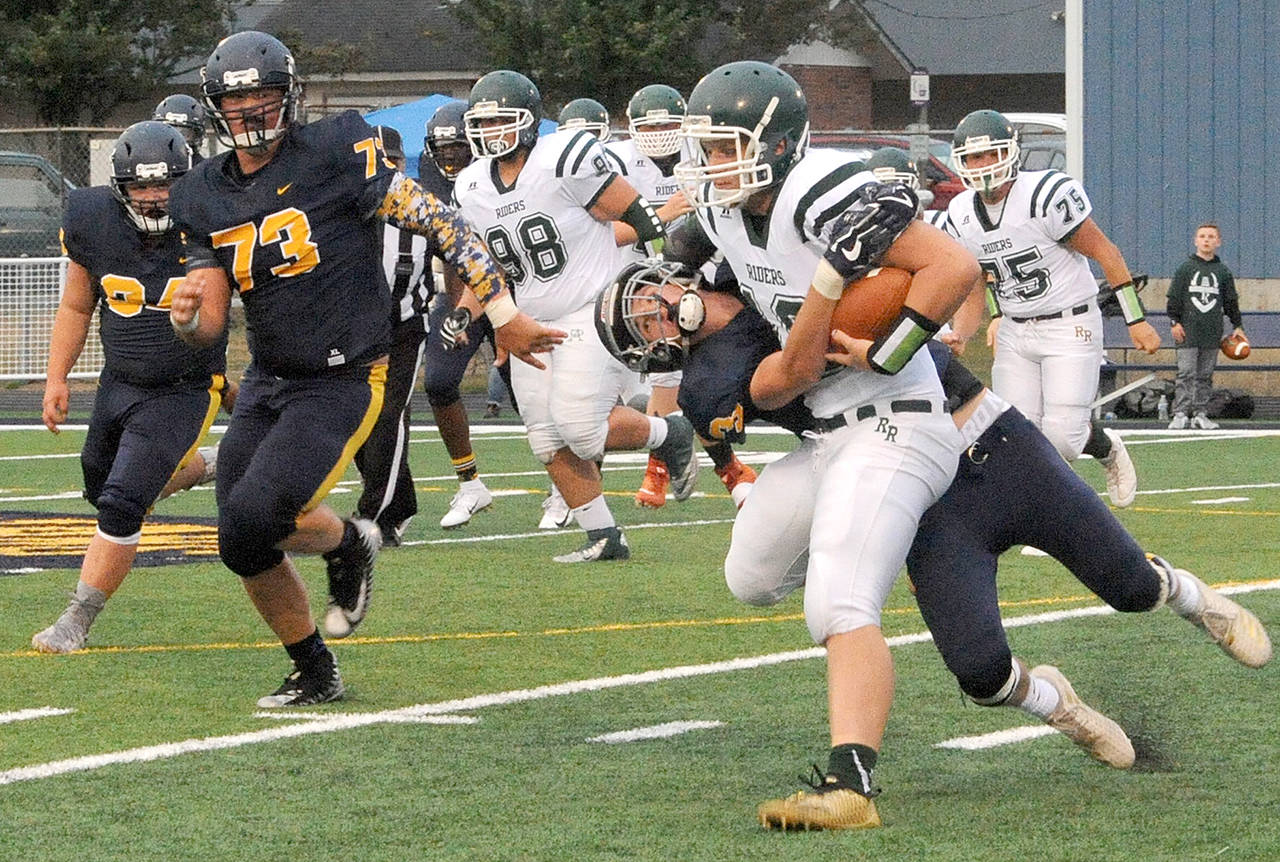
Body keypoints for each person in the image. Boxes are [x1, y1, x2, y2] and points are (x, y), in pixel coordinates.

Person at [598, 258, 1272, 824]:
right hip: (908, 479)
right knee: (982, 675)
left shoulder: (755, 250)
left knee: (1131, 587)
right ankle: (1057, 704)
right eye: (644, 328)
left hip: (994, 443)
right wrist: (844, 319)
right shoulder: (709, 377)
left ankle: (1189, 596)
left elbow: (938, 263)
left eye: (649, 303)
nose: (658, 317)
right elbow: (790, 371)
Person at [167, 32, 560, 707]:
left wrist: (500, 309)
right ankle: (319, 647)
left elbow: (442, 222)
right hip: (269, 375)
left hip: (345, 372)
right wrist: (185, 318)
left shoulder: (336, 150)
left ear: (289, 96)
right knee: (238, 536)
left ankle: (348, 545)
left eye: (263, 95)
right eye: (236, 100)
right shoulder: (201, 194)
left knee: (261, 512)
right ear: (215, 109)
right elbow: (207, 319)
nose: (251, 111)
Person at [668, 60, 978, 829]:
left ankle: (851, 786)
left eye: (724, 147)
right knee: (750, 574)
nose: (711, 166)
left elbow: (956, 264)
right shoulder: (726, 212)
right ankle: (878, 537)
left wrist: (892, 347)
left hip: (894, 415)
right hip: (826, 438)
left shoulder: (816, 188)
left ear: (775, 145)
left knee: (837, 597)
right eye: (704, 149)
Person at [453, 69, 699, 563]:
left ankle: (670, 433)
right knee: (545, 437)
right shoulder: (471, 183)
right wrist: (474, 313)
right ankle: (605, 537)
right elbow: (488, 262)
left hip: (591, 307)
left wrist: (658, 271)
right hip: (527, 319)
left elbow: (635, 211)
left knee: (581, 428)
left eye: (503, 119)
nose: (492, 131)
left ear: (528, 121)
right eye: (483, 122)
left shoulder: (562, 157)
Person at [32, 121, 229, 653]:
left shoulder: (210, 220)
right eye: (141, 186)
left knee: (120, 503)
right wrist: (57, 377)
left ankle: (77, 618)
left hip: (186, 386)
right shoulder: (91, 219)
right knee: (102, 492)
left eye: (164, 183)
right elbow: (77, 304)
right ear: (120, 188)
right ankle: (206, 466)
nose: (155, 196)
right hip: (119, 382)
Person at [945, 109, 1158, 508]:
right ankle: (1043, 518)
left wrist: (1136, 318)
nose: (983, 166)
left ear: (1011, 153)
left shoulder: (1044, 195)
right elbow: (977, 283)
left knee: (1063, 438)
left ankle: (1107, 446)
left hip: (1069, 323)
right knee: (1017, 436)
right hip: (1015, 329)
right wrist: (964, 331)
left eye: (991, 154)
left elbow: (1105, 253)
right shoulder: (959, 214)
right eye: (974, 158)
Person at [607, 83, 759, 510]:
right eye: (648, 125)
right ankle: (717, 467)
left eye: (668, 123)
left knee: (683, 375)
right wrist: (662, 216)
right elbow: (602, 234)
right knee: (660, 379)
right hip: (636, 286)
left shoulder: (706, 153)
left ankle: (677, 466)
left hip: (701, 277)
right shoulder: (615, 163)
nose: (659, 132)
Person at [418, 99, 504, 529]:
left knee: (533, 393)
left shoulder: (500, 178)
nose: (450, 157)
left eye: (459, 149)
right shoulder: (432, 181)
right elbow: (451, 255)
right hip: (461, 295)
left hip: (511, 294)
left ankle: (565, 489)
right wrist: (457, 309)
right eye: (444, 149)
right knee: (438, 380)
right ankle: (469, 482)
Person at [350, 126, 434, 545]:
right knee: (358, 419)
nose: (387, 170)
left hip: (404, 326)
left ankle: (375, 517)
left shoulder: (423, 207)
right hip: (352, 330)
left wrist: (459, 308)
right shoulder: (342, 206)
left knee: (388, 416)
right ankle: (399, 504)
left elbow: (456, 257)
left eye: (394, 162)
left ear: (403, 164)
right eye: (380, 161)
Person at [1166, 223, 1243, 430]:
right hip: (1188, 331)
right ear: (1196, 241)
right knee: (1186, 372)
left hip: (1211, 331)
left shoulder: (1222, 272)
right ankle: (1180, 413)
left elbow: (1230, 302)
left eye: (1211, 236)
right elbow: (1173, 300)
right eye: (1202, 236)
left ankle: (1200, 413)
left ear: (1218, 242)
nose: (1206, 240)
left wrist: (1237, 325)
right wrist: (1175, 322)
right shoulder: (1185, 269)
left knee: (1205, 375)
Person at [153, 94, 208, 161]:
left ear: (196, 136)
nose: (174, 140)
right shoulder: (147, 160)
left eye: (183, 133)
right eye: (167, 132)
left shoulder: (204, 169)